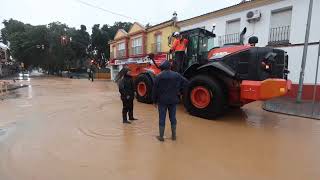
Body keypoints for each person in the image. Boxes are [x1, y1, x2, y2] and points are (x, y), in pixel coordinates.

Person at [152, 60, 189, 141]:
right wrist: (179, 91)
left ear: (162, 68)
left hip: (162, 101)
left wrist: (154, 101)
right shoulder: (176, 75)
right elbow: (186, 82)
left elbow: (154, 90)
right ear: (170, 67)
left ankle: (161, 137)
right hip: (173, 100)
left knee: (162, 118)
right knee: (173, 118)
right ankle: (173, 136)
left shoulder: (158, 76)